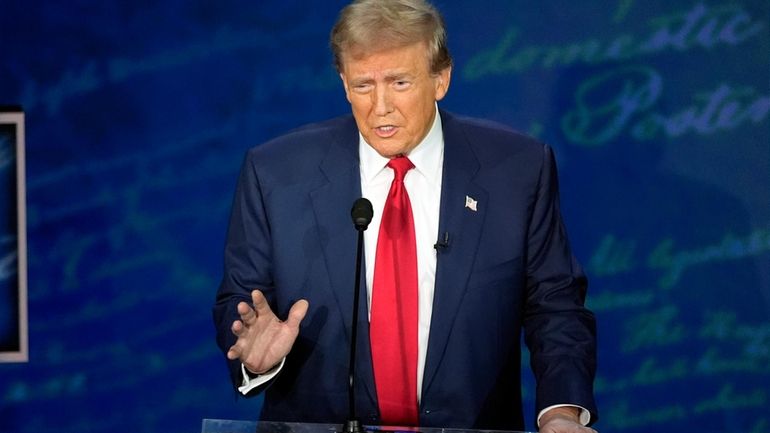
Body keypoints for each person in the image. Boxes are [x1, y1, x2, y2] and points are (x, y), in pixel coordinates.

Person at [213, 1, 598, 431]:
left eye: (399, 82)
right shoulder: (275, 173)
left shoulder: (518, 169)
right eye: (363, 85)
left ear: (441, 78)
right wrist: (253, 354)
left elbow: (556, 307)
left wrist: (561, 412)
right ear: (343, 82)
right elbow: (242, 301)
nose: (380, 107)